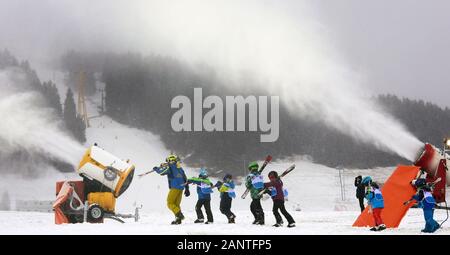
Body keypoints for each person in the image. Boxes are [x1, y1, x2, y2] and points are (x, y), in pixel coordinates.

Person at [153, 154, 190, 225]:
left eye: (168, 160)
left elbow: (162, 172)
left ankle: (179, 215)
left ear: (170, 160)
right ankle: (178, 219)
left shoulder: (170, 167)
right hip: (181, 188)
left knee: (169, 203)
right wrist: (187, 188)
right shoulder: (179, 168)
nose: (168, 162)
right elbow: (185, 178)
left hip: (175, 187)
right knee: (176, 204)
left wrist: (156, 169)